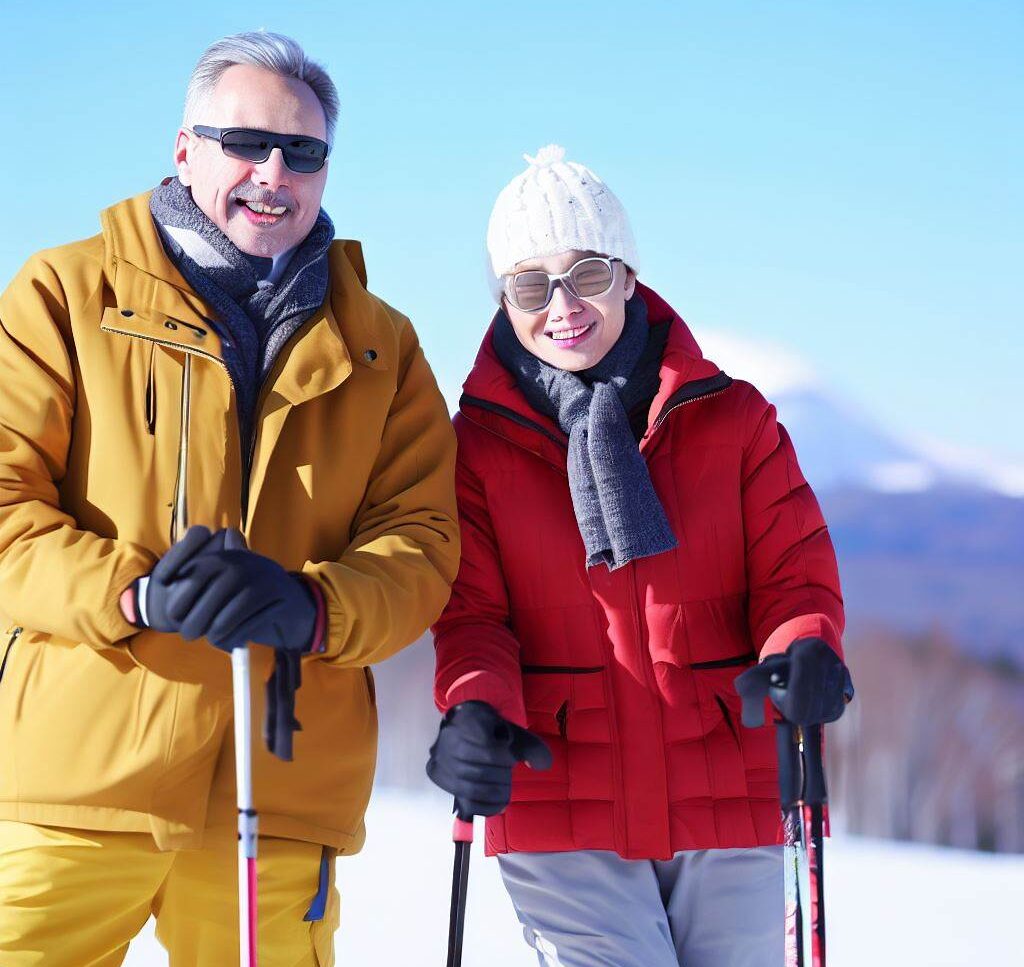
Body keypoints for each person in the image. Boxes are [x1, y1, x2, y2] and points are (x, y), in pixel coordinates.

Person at [0, 31, 459, 965]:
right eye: (245, 142)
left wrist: (316, 606)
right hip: (78, 781)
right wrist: (132, 592)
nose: (273, 172)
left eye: (304, 151)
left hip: (282, 790)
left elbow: (422, 542)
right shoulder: (65, 293)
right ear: (184, 149)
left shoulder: (384, 345)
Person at [427, 145, 851, 966]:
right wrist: (476, 703)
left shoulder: (733, 419)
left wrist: (804, 648)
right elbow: (472, 616)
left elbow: (793, 575)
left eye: (585, 273)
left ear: (626, 275)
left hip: (731, 783)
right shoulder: (474, 449)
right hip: (563, 798)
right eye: (528, 284)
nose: (561, 305)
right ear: (502, 301)